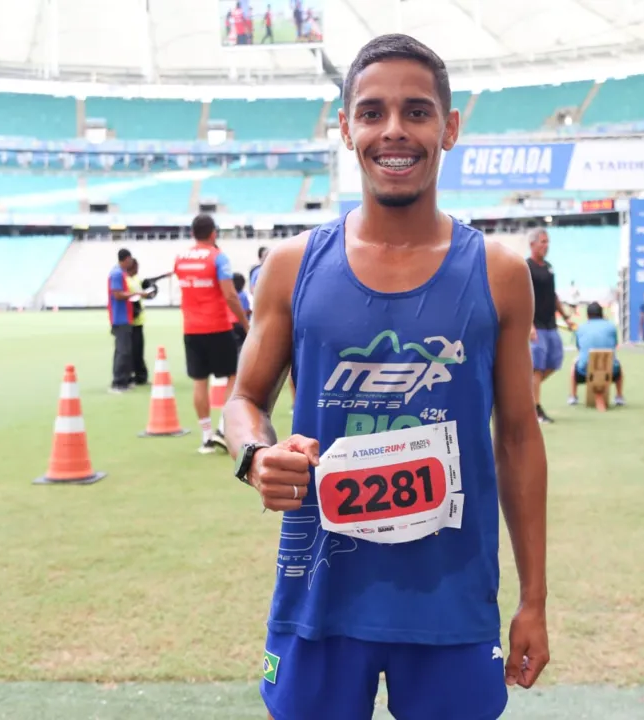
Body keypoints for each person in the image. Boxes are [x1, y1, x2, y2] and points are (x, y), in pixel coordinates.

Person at [223, 33, 549, 720]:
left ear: (449, 128)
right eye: (371, 112)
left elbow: (518, 438)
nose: (393, 130)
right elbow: (243, 400)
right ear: (345, 129)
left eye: (417, 111)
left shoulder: (498, 273)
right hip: (317, 597)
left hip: (451, 602)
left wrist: (533, 599)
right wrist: (255, 454)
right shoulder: (291, 266)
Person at [174, 214, 250, 454]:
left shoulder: (181, 258)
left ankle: (206, 437)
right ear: (213, 233)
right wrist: (246, 324)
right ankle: (222, 428)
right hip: (217, 326)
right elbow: (230, 295)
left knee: (200, 382)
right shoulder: (219, 258)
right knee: (233, 376)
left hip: (191, 328)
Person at [527, 228, 575, 424]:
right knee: (536, 368)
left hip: (551, 325)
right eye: (543, 242)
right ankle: (535, 409)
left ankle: (526, 392)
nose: (546, 246)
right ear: (532, 244)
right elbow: (522, 297)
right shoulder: (526, 267)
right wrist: (529, 324)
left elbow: (553, 295)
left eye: (547, 242)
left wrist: (566, 317)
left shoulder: (549, 267)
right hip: (535, 326)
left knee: (554, 362)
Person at [567, 302, 625, 407]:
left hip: (585, 372)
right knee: (619, 365)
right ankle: (619, 396)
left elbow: (579, 348)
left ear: (588, 315)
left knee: (574, 364)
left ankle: (573, 396)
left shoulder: (581, 328)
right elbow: (615, 344)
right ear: (602, 314)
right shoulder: (611, 326)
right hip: (610, 372)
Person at [108, 248, 136, 393]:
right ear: (126, 259)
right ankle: (118, 382)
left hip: (124, 316)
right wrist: (135, 294)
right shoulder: (117, 274)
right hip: (120, 317)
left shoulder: (120, 273)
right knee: (122, 350)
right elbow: (117, 295)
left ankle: (124, 379)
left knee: (125, 350)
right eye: (130, 260)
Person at [126, 258, 155, 386]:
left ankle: (140, 376)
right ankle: (133, 376)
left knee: (138, 349)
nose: (137, 270)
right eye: (136, 268)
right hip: (130, 319)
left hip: (138, 320)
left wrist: (150, 291)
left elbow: (146, 291)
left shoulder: (137, 279)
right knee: (131, 350)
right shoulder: (126, 280)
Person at [228, 271, 252, 353]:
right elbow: (245, 311)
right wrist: (251, 312)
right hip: (241, 324)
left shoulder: (228, 295)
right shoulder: (243, 295)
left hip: (230, 324)